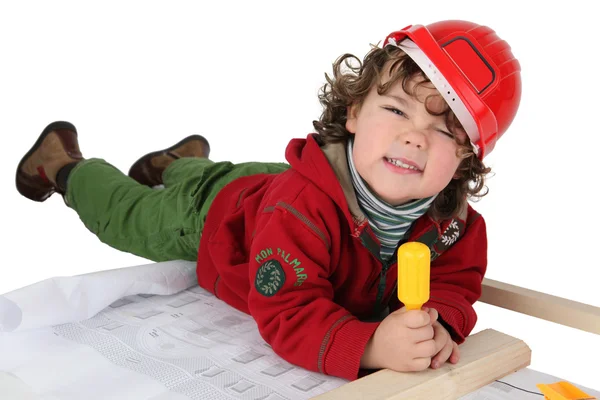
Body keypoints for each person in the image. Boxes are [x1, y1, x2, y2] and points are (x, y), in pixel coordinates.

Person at [15, 19, 521, 381]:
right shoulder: (301, 209)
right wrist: (368, 346)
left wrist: (440, 323)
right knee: (129, 218)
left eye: (442, 130)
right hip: (216, 220)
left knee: (223, 175)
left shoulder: (456, 226)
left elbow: (456, 285)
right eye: (396, 109)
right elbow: (288, 309)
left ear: (465, 159)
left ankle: (175, 163)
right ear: (352, 113)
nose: (414, 138)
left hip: (263, 185)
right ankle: (63, 165)